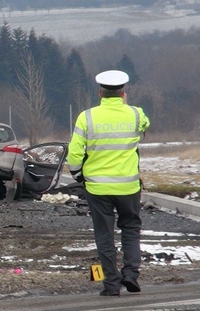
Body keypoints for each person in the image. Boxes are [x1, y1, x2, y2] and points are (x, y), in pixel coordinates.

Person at [66, 70, 150, 297]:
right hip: (128, 187)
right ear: (123, 92)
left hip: (97, 187)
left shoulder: (87, 117)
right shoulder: (135, 114)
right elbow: (144, 125)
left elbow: (74, 153)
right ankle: (131, 274)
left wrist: (77, 175)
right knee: (131, 229)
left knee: (104, 235)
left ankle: (111, 284)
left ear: (99, 92)